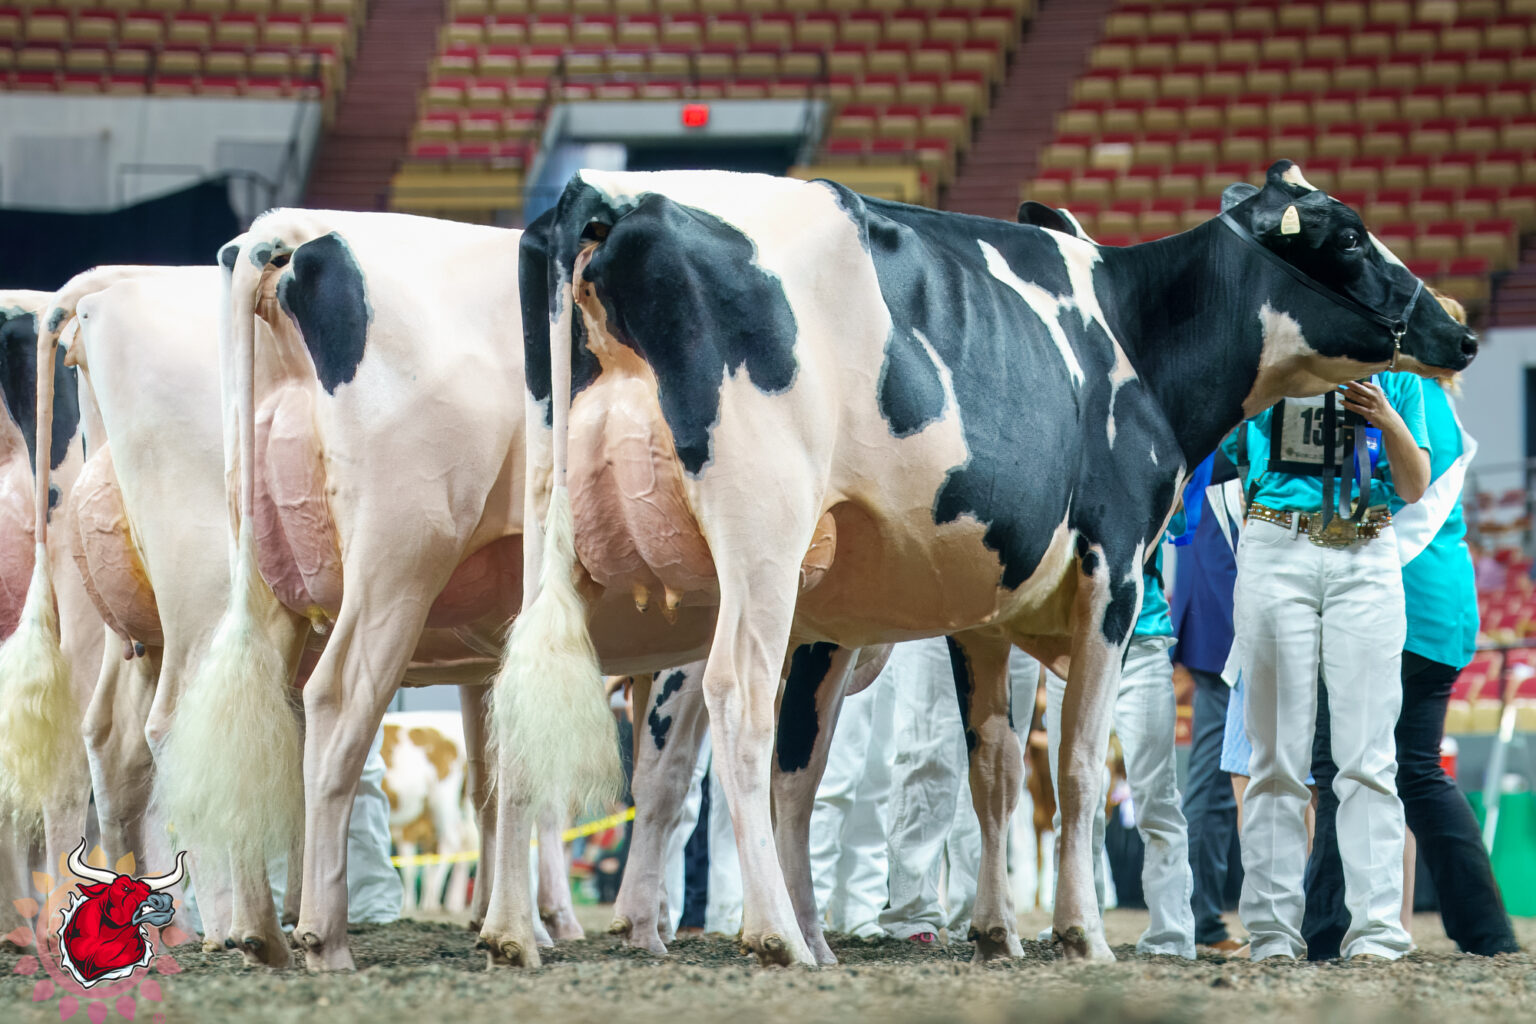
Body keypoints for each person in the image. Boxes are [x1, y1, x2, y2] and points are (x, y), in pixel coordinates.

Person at [1302, 293, 1520, 960]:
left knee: (1341, 766)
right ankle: (1485, 931)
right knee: (1416, 773)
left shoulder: (1410, 400)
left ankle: (1325, 930)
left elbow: (1394, 512)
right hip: (1440, 613)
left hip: (1402, 609)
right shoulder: (1438, 406)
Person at [1226, 348, 1431, 961]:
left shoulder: (1394, 370)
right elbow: (1229, 449)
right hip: (1275, 540)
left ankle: (1377, 933)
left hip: (1366, 546)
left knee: (1369, 757)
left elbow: (1414, 485)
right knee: (1275, 757)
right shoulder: (1270, 357)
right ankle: (1271, 935)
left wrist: (1386, 418)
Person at [1042, 524, 1196, 958]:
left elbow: (1175, 524)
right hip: (1068, 642)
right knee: (1072, 803)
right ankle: (1074, 922)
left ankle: (1171, 933)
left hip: (1141, 638)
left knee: (1156, 799)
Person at [880, 638, 1038, 943]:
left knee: (999, 762)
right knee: (927, 750)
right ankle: (912, 913)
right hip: (935, 622)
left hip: (1018, 628)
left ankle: (979, 912)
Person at [1171, 453, 1246, 952]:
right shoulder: (1231, 438)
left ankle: (1201, 915)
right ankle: (1200, 918)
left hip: (1215, 592)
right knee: (1216, 773)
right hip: (1222, 599)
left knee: (1218, 771)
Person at [808, 675, 894, 940]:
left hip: (897, 651)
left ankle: (862, 908)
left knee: (879, 774)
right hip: (839, 655)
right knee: (833, 777)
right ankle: (809, 906)